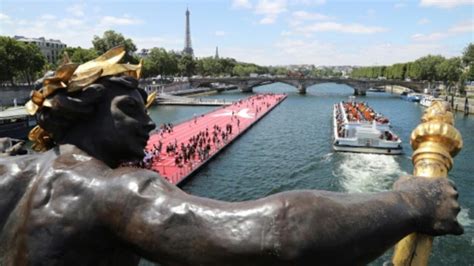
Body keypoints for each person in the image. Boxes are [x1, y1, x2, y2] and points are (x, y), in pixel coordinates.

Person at [0, 47, 463, 266]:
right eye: (130, 110)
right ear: (81, 115)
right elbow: (278, 232)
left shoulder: (10, 170)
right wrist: (411, 203)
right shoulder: (114, 192)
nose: (146, 122)